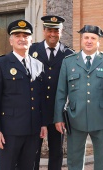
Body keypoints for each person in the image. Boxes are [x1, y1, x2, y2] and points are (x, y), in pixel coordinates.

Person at [54, 25, 103, 170]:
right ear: (81, 40)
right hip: (75, 119)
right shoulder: (68, 62)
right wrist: (58, 118)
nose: (89, 41)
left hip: (101, 119)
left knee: (102, 160)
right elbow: (61, 92)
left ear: (98, 41)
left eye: (93, 38)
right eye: (86, 37)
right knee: (74, 160)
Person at [0, 19, 47, 170]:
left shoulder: (38, 65)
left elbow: (41, 97)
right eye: (17, 35)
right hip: (9, 131)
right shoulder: (0, 64)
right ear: (11, 40)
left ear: (31, 40)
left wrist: (43, 123)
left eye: (26, 35)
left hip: (32, 130)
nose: (22, 39)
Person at [29, 15, 74, 170]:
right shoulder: (32, 50)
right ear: (44, 31)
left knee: (56, 152)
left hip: (58, 112)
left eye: (57, 30)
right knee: (33, 150)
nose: (53, 34)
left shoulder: (69, 54)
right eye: (49, 30)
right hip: (36, 110)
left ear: (61, 32)